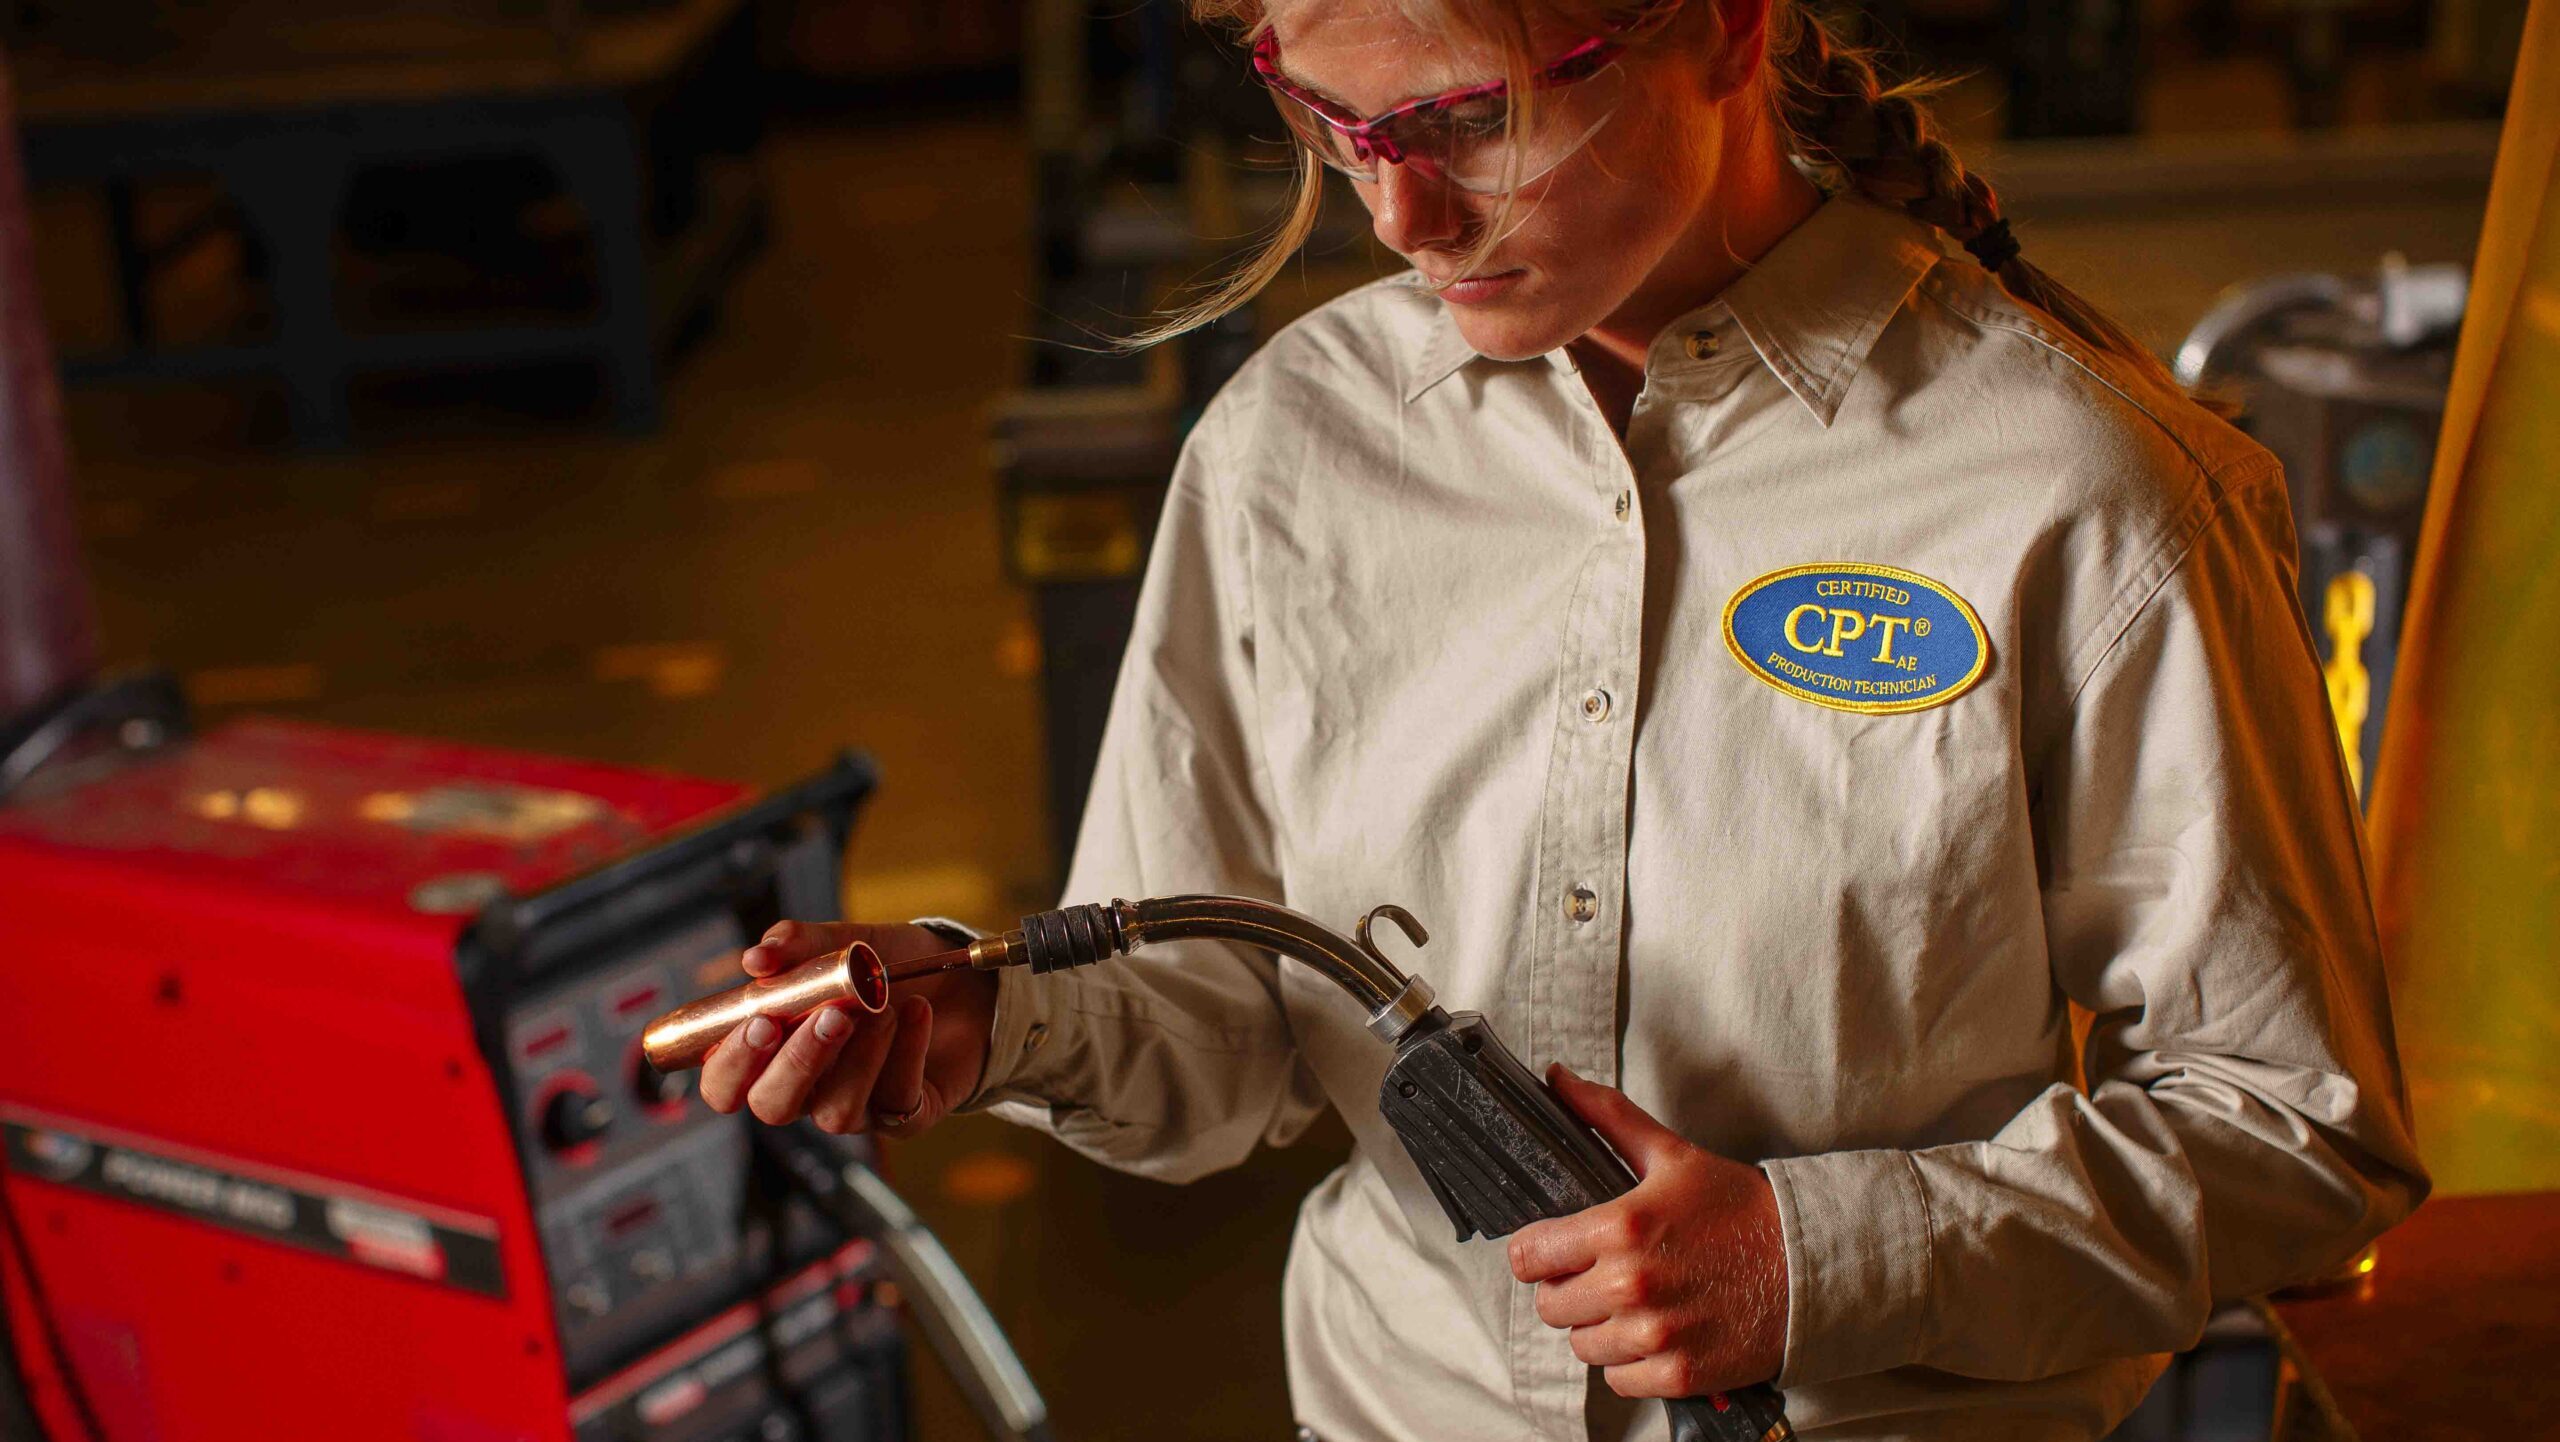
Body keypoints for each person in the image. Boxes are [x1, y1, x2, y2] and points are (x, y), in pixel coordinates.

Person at [700, 0, 2430, 1435]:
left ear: (1725, 31)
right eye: (1332, 122)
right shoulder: (1297, 447)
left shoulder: (2080, 490)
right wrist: (986, 1024)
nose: (1400, 219)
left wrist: (1811, 1257)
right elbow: (1223, 1025)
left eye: (1465, 120)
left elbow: (2294, 1126)